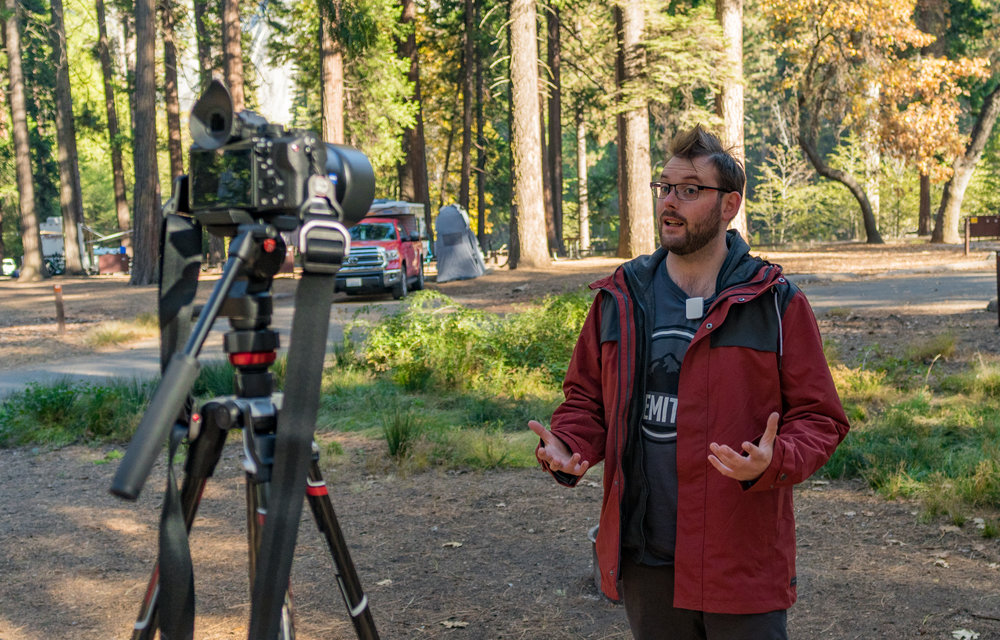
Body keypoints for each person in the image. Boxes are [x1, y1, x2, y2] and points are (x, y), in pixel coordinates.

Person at [528, 125, 849, 640]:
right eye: (665, 188)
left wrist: (776, 459)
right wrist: (570, 444)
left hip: (739, 560)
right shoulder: (622, 298)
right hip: (646, 558)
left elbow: (820, 417)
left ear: (729, 206)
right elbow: (587, 400)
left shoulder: (774, 302)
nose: (670, 203)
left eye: (690, 190)